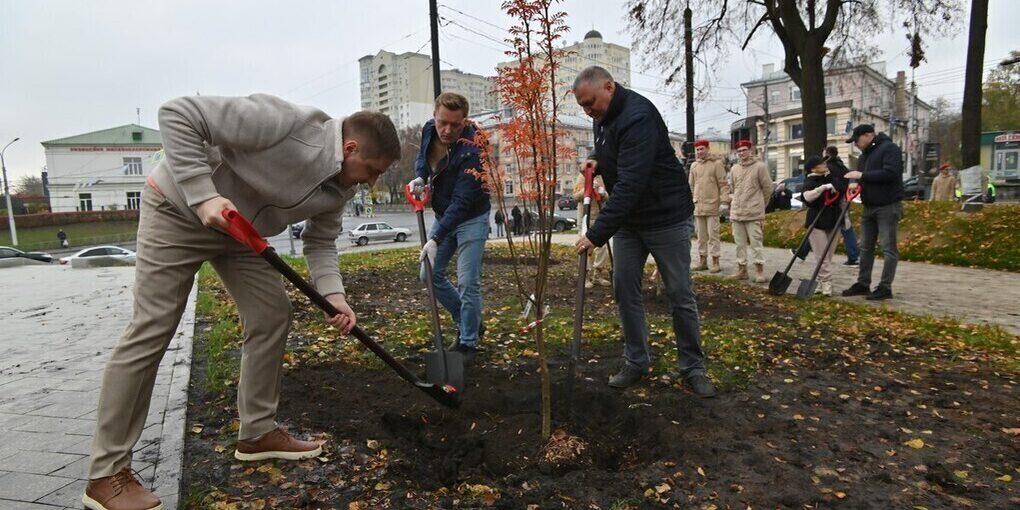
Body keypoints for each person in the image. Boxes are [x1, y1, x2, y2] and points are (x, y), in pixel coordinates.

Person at [82, 94, 400, 510]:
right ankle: (106, 475)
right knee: (153, 329)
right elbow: (179, 114)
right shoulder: (290, 123)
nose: (370, 183)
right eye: (371, 172)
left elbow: (320, 242)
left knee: (272, 314)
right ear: (350, 148)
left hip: (238, 232)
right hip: (178, 211)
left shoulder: (338, 188)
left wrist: (335, 297)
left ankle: (257, 433)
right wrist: (203, 195)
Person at [571, 66, 715, 397]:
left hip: (665, 217)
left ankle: (693, 366)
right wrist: (595, 159)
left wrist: (596, 234)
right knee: (624, 289)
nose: (588, 111)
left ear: (609, 87)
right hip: (630, 223)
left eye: (590, 103)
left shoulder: (639, 116)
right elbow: (613, 153)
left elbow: (632, 183)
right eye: (582, 106)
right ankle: (636, 361)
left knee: (679, 293)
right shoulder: (602, 114)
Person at [408, 92, 490, 364]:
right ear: (434, 116)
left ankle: (468, 343)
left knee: (468, 282)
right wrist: (421, 175)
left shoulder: (473, 148)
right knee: (428, 274)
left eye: (455, 125)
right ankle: (470, 321)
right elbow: (423, 156)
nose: (447, 130)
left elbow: (463, 200)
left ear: (464, 120)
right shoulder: (430, 129)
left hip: (472, 218)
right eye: (443, 122)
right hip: (444, 213)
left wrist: (436, 237)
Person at [841, 124, 903, 301]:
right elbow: (864, 178)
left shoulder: (889, 149)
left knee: (888, 248)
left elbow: (891, 173)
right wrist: (856, 184)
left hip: (888, 205)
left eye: (857, 140)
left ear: (869, 135)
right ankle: (863, 283)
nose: (857, 144)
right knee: (865, 247)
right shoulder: (864, 156)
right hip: (869, 206)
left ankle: (885, 286)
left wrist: (862, 177)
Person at [728, 139, 772, 283]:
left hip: (754, 213)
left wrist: (761, 205)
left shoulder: (760, 167)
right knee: (739, 244)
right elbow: (733, 187)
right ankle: (742, 270)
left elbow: (767, 188)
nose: (741, 153)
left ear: (750, 150)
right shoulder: (734, 168)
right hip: (737, 212)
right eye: (739, 151)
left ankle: (759, 270)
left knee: (756, 244)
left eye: (744, 150)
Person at [800, 155, 843, 296]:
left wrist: (834, 185)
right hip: (817, 222)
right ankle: (827, 283)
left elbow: (842, 186)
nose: (825, 165)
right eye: (821, 163)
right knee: (821, 256)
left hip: (834, 219)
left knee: (828, 255)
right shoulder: (810, 181)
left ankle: (819, 281)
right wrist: (822, 188)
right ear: (813, 168)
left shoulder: (833, 176)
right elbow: (807, 197)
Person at [688, 138, 730, 273]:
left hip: (713, 206)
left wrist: (724, 202)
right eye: (698, 149)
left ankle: (715, 261)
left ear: (707, 149)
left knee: (713, 236)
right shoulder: (694, 166)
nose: (700, 151)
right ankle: (702, 261)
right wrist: (691, 200)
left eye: (702, 149)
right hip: (698, 206)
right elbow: (691, 185)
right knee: (701, 237)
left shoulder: (717, 164)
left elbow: (723, 184)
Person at [572, 170, 611, 288]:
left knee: (603, 247)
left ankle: (597, 274)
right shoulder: (582, 176)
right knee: (584, 247)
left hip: (600, 217)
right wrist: (587, 189)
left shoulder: (603, 176)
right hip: (585, 217)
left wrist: (604, 193)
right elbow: (576, 197)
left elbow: (609, 197)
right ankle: (585, 276)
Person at [825, 145, 860, 266]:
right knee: (826, 226)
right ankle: (802, 252)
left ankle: (854, 256)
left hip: (834, 201)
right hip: (842, 199)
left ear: (827, 153)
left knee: (845, 227)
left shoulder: (828, 167)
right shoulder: (842, 166)